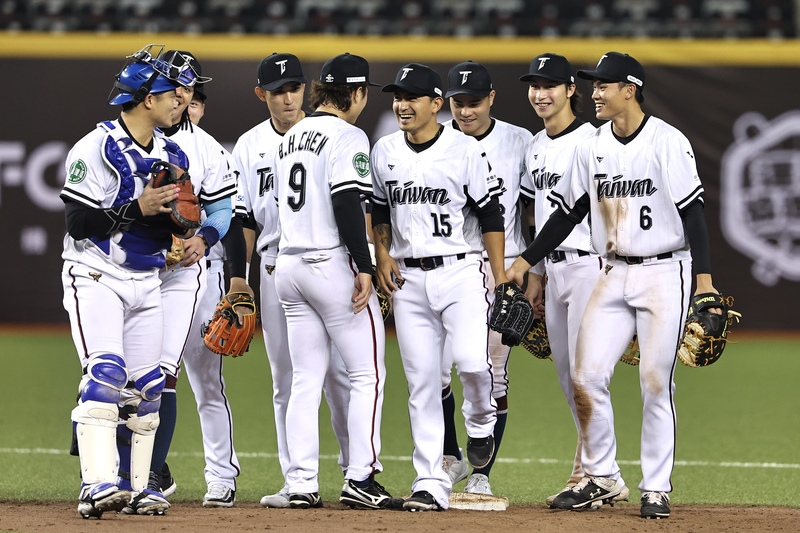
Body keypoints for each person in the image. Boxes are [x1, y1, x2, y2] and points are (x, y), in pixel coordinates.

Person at [506, 51, 722, 519]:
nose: (595, 93)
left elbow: (694, 215)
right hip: (613, 270)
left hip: (666, 271)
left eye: (604, 85)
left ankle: (656, 487)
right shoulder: (594, 144)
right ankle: (601, 476)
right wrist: (527, 261)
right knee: (586, 377)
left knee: (654, 381)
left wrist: (703, 283)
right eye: (594, 85)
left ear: (630, 89)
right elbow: (568, 212)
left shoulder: (667, 141)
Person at [60, 44, 191, 519]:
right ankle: (96, 485)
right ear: (143, 100)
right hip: (95, 275)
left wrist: (180, 228)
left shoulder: (173, 153)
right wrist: (138, 209)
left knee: (150, 385)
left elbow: (169, 222)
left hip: (147, 279)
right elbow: (78, 221)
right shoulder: (95, 147)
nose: (177, 98)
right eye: (166, 91)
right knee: (106, 375)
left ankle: (140, 488)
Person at [371, 63, 507, 511]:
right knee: (423, 382)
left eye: (412, 97)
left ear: (435, 104)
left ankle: (482, 422)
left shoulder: (463, 150)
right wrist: (383, 254)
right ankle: (431, 479)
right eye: (397, 97)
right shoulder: (385, 149)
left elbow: (490, 215)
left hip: (460, 271)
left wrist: (500, 274)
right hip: (408, 277)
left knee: (471, 362)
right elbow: (379, 210)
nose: (402, 105)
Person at [271, 52, 398, 510]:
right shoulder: (349, 135)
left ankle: (301, 482)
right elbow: (348, 204)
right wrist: (364, 265)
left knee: (305, 377)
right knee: (367, 374)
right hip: (329, 265)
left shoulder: (292, 134)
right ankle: (360, 475)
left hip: (289, 266)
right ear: (359, 93)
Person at [232, 52, 351, 508]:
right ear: (261, 94)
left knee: (340, 375)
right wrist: (238, 279)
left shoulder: (325, 135)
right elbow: (242, 216)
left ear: (308, 89)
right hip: (274, 266)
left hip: (330, 262)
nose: (288, 98)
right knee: (287, 379)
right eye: (278, 91)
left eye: (295, 88)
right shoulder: (248, 146)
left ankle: (352, 470)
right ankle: (296, 478)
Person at [518, 52, 631, 508]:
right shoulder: (535, 145)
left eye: (550, 85)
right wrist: (538, 274)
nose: (539, 93)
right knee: (569, 377)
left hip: (590, 264)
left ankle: (592, 474)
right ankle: (597, 472)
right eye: (533, 85)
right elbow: (536, 216)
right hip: (556, 267)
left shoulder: (595, 139)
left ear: (571, 90)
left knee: (588, 376)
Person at [142, 50, 239, 511]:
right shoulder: (130, 136)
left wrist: (205, 238)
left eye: (189, 88)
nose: (182, 95)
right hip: (138, 269)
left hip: (193, 275)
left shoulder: (206, 148)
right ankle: (142, 471)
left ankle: (221, 476)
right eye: (175, 86)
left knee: (201, 377)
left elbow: (225, 210)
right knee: (131, 374)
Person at [438, 60, 532, 497]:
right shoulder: (436, 138)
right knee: (437, 371)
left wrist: (536, 271)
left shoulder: (519, 141)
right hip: (450, 264)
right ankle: (450, 455)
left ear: (492, 98)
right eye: (458, 103)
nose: (465, 111)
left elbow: (534, 210)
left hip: (504, 264)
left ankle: (482, 473)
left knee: (493, 373)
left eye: (474, 102)